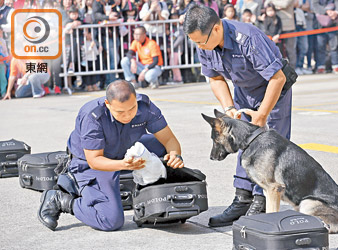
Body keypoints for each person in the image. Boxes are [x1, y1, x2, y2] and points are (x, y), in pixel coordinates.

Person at [184, 4, 292, 227]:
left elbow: (277, 79)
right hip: (243, 92)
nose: (199, 47)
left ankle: (261, 202)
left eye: (201, 42)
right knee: (242, 143)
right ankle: (242, 198)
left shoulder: (248, 38)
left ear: (215, 29)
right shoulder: (204, 42)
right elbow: (215, 78)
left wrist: (262, 115)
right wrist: (229, 107)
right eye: (195, 43)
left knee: (267, 149)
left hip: (272, 93)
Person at [37, 80, 184, 231]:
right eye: (120, 112)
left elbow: (169, 139)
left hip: (123, 150)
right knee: (110, 220)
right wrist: (124, 165)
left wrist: (175, 155)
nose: (128, 115)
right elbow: (95, 160)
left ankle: (151, 197)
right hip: (91, 163)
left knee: (162, 147)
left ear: (136, 99)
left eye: (132, 109)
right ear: (107, 104)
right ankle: (61, 199)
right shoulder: (92, 116)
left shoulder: (145, 106)